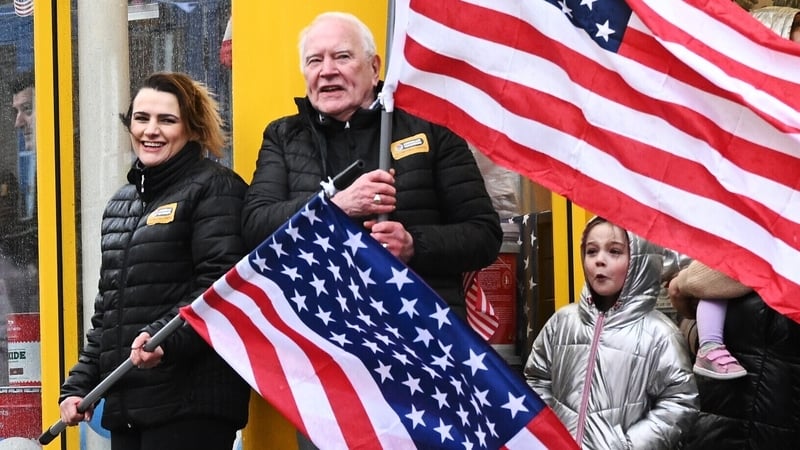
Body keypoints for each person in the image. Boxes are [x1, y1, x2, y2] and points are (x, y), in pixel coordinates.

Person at [241, 12, 502, 320]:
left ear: (375, 68)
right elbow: (255, 228)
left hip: (418, 328)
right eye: (314, 61)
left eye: (342, 57)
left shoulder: (432, 127)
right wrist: (334, 206)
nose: (327, 71)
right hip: (322, 329)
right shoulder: (284, 136)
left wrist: (413, 244)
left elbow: (483, 235)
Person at [58, 72, 251, 450]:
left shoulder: (217, 188)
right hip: (130, 407)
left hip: (191, 408)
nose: (151, 130)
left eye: (167, 120)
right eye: (141, 118)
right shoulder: (121, 204)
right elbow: (109, 311)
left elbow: (219, 289)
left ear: (192, 129)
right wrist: (79, 384)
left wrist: (166, 339)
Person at [525, 217, 698, 449]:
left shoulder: (660, 333)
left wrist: (627, 445)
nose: (599, 261)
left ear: (639, 261)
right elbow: (536, 377)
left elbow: (679, 402)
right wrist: (550, 432)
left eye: (614, 251)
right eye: (592, 251)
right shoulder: (563, 321)